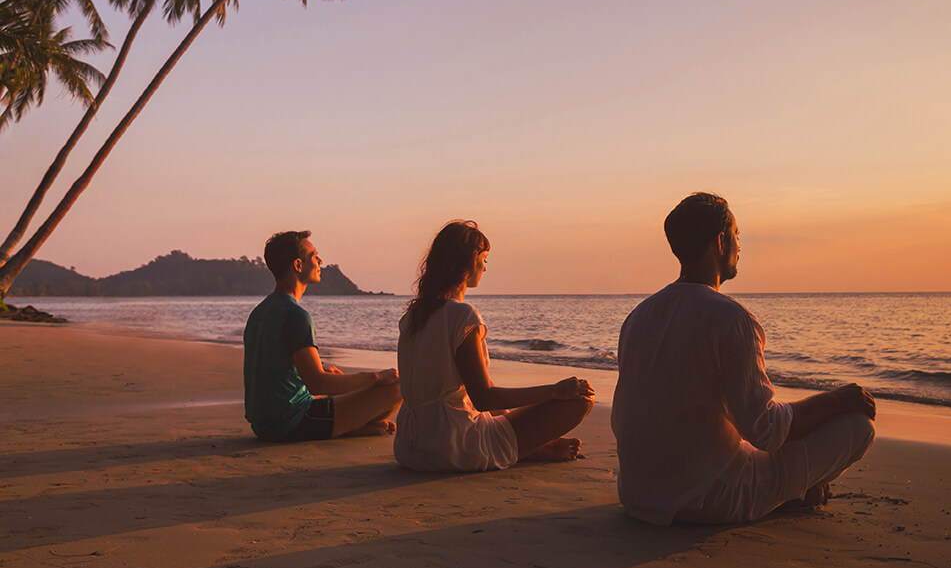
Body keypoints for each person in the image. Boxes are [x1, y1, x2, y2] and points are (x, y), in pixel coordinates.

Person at [612, 192, 877, 525]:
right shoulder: (732, 319)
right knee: (859, 427)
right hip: (705, 498)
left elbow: (624, 419)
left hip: (637, 494)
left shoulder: (639, 315)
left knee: (746, 440)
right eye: (737, 235)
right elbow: (764, 430)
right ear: (721, 241)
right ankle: (792, 493)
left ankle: (795, 490)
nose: (741, 245)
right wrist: (835, 400)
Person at [394, 220, 595, 472]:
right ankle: (529, 449)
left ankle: (526, 446)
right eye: (484, 259)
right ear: (468, 262)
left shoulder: (412, 317)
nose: (485, 268)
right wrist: (554, 391)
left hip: (410, 446)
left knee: (497, 415)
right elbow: (484, 398)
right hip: (452, 448)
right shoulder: (462, 316)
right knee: (580, 399)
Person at [243, 230, 402, 442]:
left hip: (263, 424)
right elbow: (317, 385)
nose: (320, 261)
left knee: (334, 376)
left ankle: (351, 425)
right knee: (398, 387)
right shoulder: (296, 315)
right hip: (291, 423)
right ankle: (350, 428)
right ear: (298, 265)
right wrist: (376, 377)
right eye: (314, 256)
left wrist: (323, 372)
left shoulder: (260, 312)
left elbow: (274, 370)